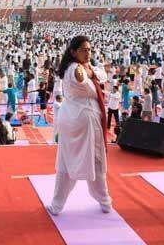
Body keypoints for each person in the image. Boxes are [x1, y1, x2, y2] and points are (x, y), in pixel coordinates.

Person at [46, 36, 111, 216]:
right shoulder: (76, 68)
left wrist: (92, 72)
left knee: (68, 162)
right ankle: (104, 201)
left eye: (89, 49)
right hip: (84, 119)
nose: (88, 53)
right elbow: (81, 76)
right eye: (83, 49)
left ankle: (58, 205)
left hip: (74, 117)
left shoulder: (82, 67)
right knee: (94, 160)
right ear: (73, 51)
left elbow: (102, 74)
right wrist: (90, 72)